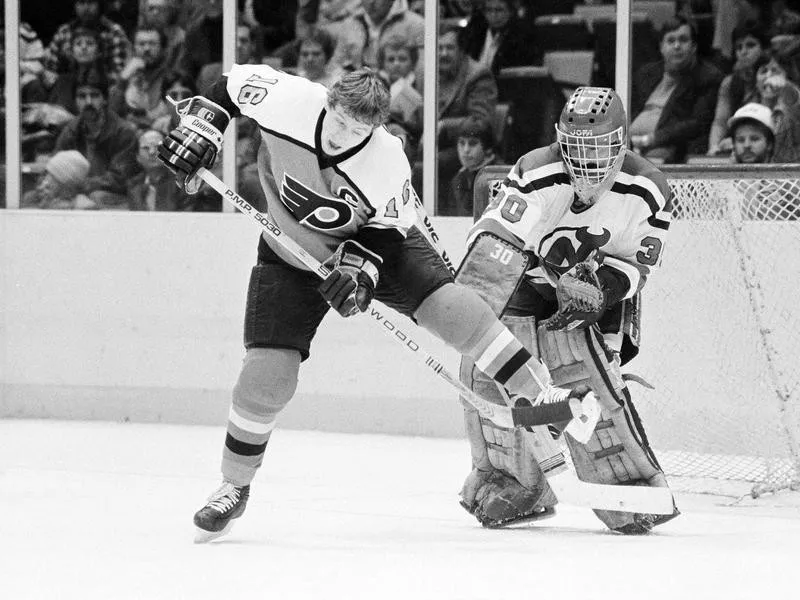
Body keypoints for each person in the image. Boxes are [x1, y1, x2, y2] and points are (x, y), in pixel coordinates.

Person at [156, 65, 591, 542]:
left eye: (360, 130)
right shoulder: (287, 100)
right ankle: (233, 487)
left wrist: (359, 274)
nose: (345, 135)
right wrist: (204, 131)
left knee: (451, 309)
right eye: (340, 121)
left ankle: (536, 391)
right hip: (290, 253)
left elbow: (384, 232)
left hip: (377, 243)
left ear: (377, 127)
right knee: (266, 375)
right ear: (329, 103)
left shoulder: (386, 160)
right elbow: (229, 86)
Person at [458, 86, 679, 533]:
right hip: (528, 280)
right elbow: (497, 238)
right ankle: (517, 481)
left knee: (584, 376)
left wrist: (603, 290)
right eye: (576, 147)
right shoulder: (536, 171)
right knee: (488, 373)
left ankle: (631, 484)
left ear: (621, 142)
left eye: (597, 147)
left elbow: (637, 265)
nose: (587, 160)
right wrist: (470, 303)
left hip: (596, 293)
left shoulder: (648, 189)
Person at [629, 16, 724, 162]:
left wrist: (650, 139)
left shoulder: (708, 77)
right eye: (671, 41)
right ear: (661, 46)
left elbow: (697, 124)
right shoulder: (646, 74)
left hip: (671, 148)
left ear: (694, 46)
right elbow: (630, 111)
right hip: (630, 144)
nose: (677, 46)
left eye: (683, 40)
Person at [54, 66, 142, 209]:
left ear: (105, 99)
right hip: (80, 194)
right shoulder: (71, 130)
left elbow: (118, 179)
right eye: (82, 96)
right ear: (75, 101)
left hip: (116, 198)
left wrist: (80, 187)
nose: (88, 102)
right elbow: (56, 167)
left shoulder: (124, 132)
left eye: (94, 95)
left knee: (97, 196)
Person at [707, 19, 770, 156]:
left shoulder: (776, 80)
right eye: (739, 47)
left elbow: (772, 124)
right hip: (739, 147)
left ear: (765, 49)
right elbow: (720, 122)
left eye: (750, 45)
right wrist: (714, 146)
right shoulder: (729, 83)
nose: (743, 52)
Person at [442, 115, 498, 216]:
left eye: (472, 144)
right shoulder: (458, 179)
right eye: (462, 143)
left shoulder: (498, 178)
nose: (466, 150)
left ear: (488, 148)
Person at [21, 150, 96, 209]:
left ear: (67, 188)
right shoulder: (33, 198)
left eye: (49, 186)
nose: (42, 185)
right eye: (45, 174)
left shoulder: (82, 206)